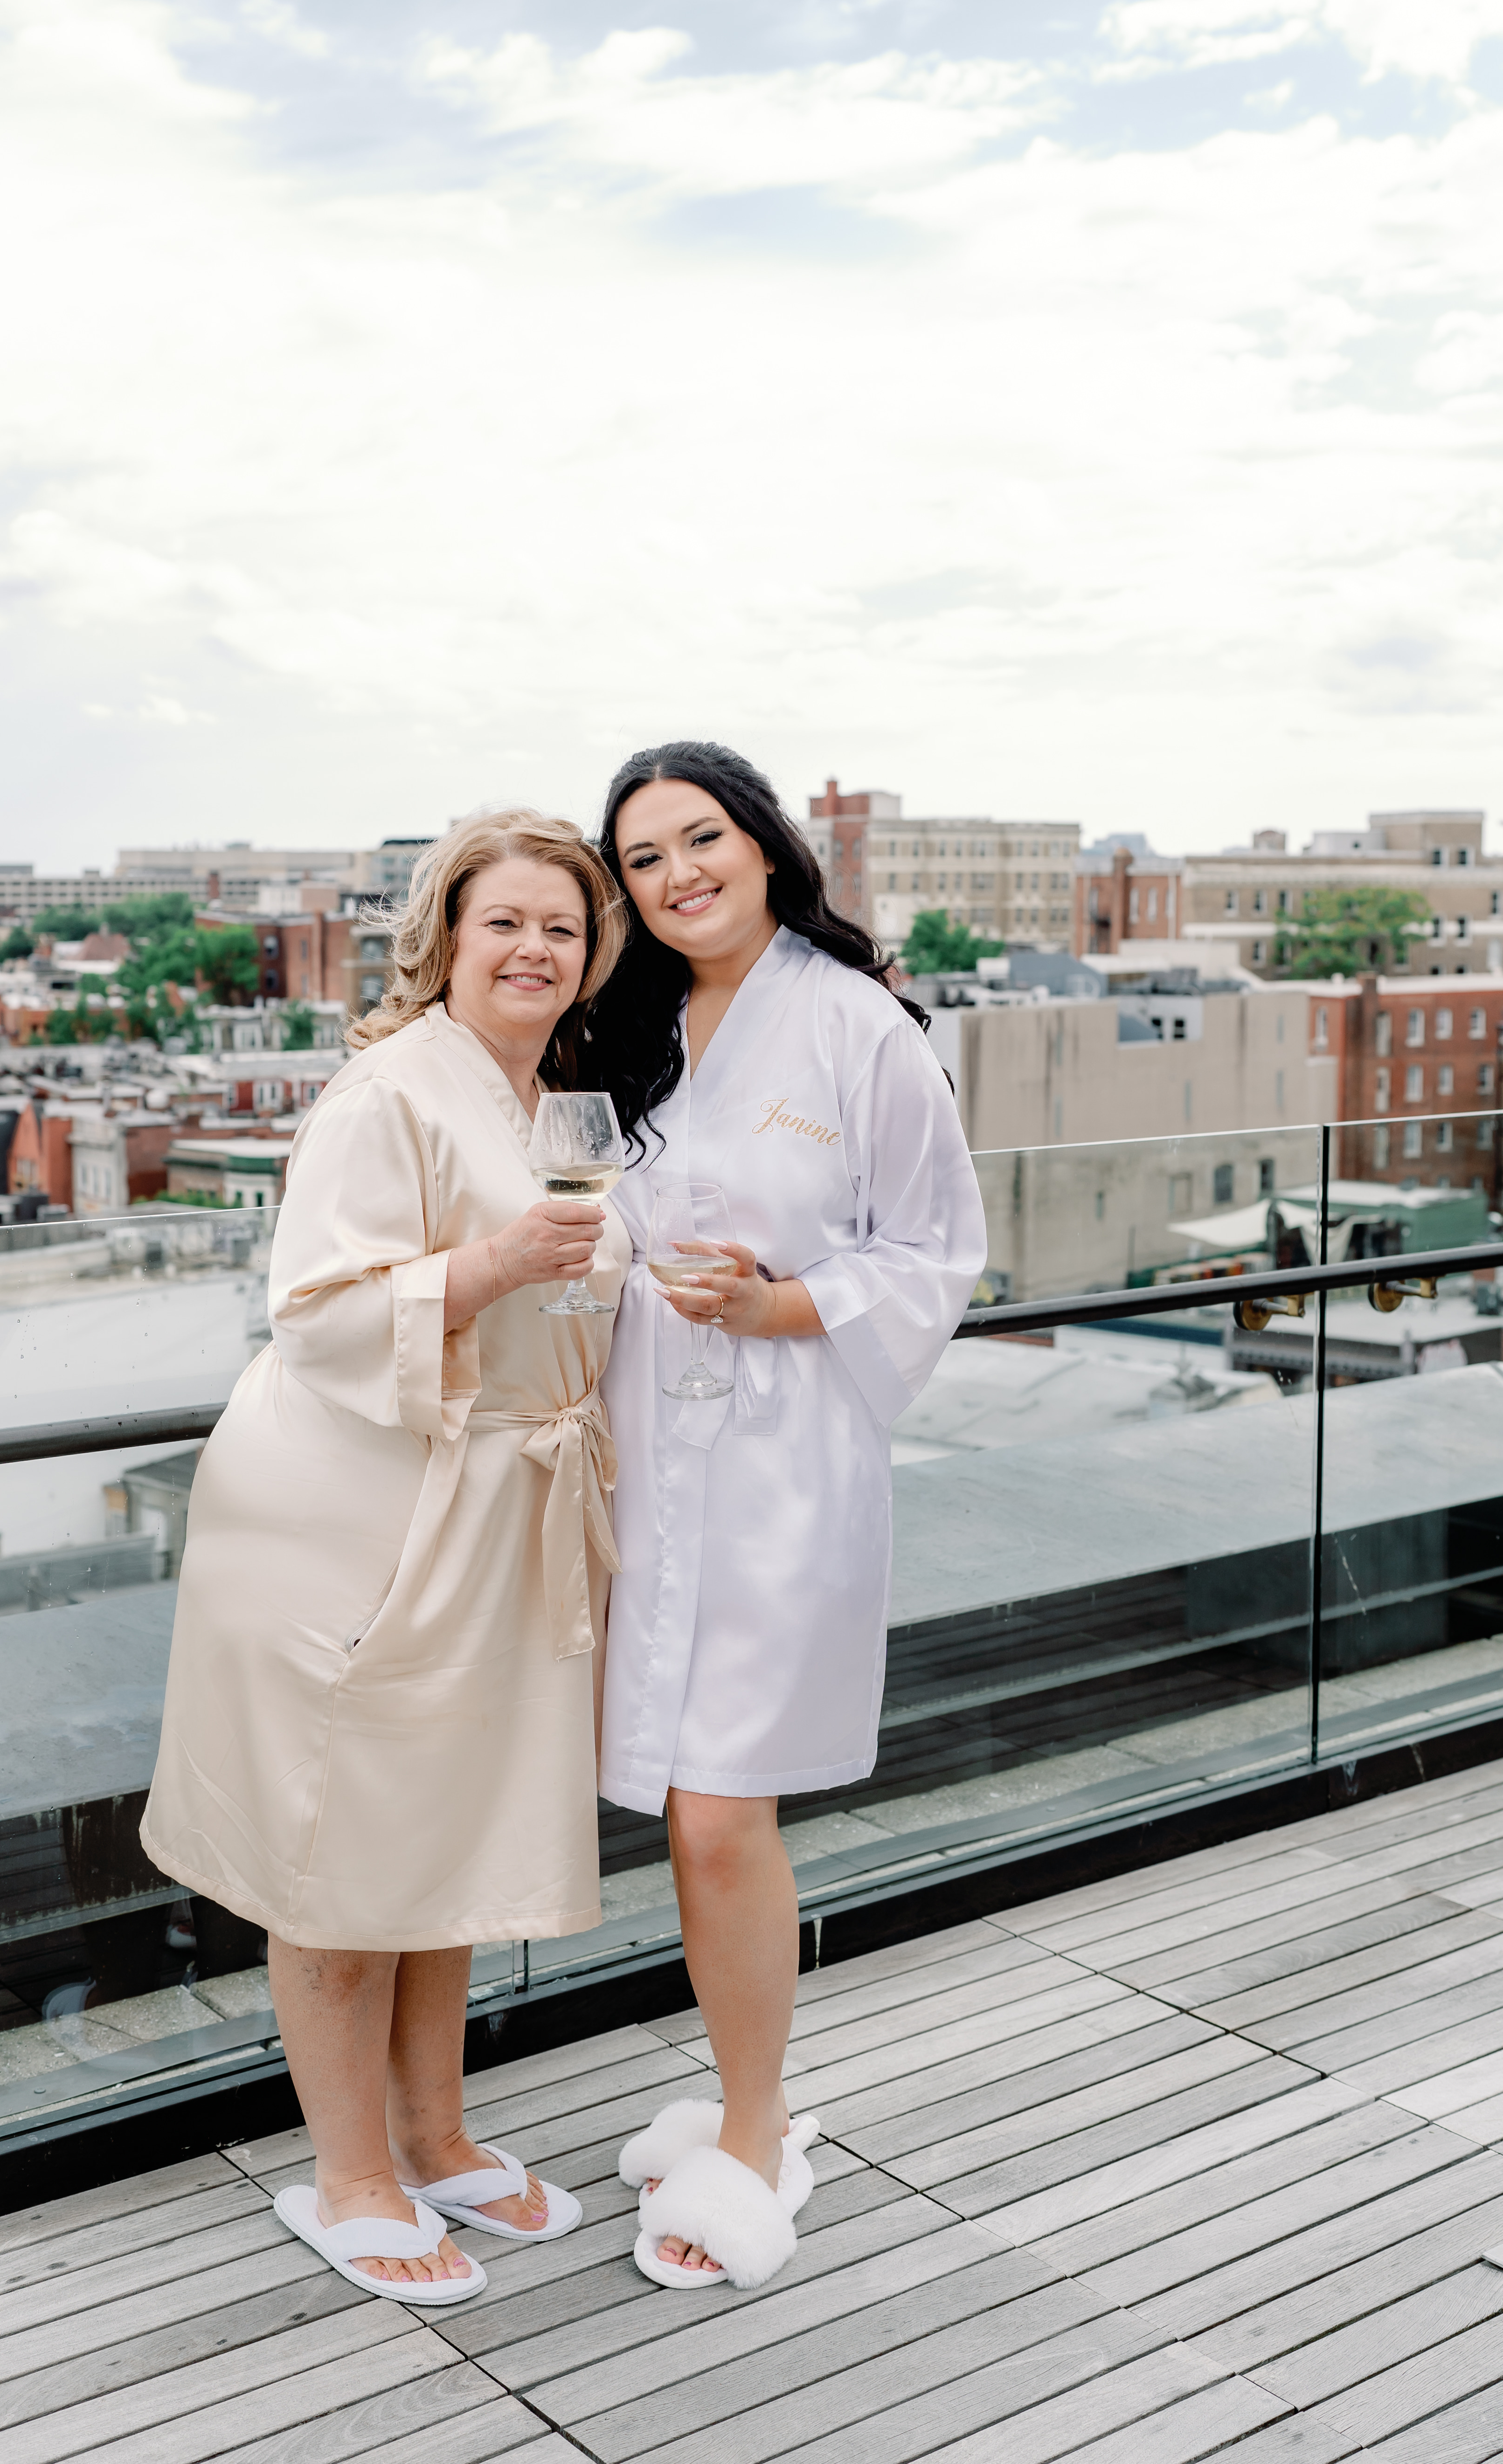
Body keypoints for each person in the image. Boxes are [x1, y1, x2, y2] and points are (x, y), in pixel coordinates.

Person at [140, 810, 629, 2302]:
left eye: (564, 926)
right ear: (447, 939)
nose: (536, 948)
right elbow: (322, 1312)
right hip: (356, 1525)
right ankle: (348, 2171)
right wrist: (493, 1268)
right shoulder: (386, 1091)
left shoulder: (544, 1095)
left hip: (488, 1516)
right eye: (507, 923)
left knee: (442, 1839)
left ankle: (436, 2133)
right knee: (341, 1855)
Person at [580, 742, 987, 2292]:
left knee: (721, 1812)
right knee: (688, 1817)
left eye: (704, 839)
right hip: (645, 1460)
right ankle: (741, 2095)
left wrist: (784, 1306)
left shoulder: (859, 1024)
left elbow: (940, 1250)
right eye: (644, 859)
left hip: (784, 1464)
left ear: (763, 844)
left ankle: (755, 2131)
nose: (679, 875)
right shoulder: (628, 1025)